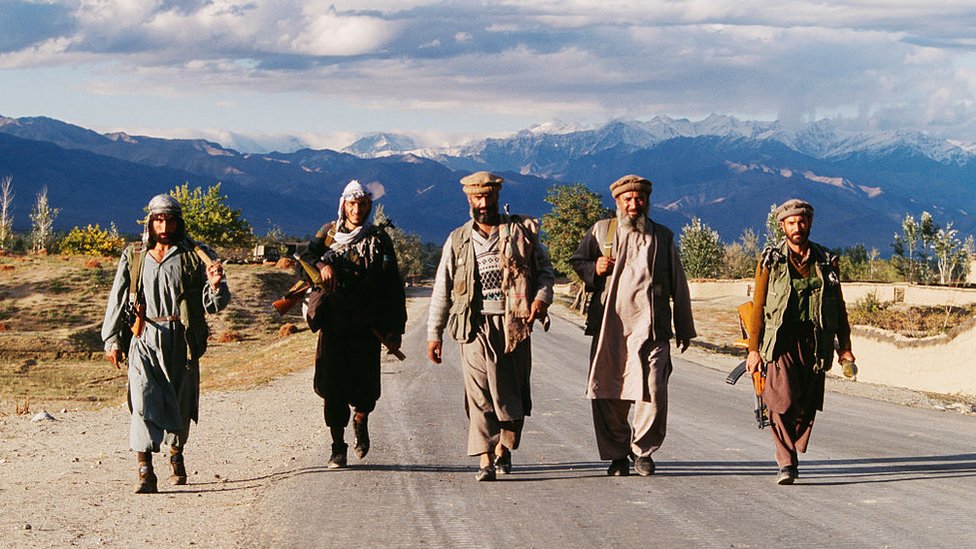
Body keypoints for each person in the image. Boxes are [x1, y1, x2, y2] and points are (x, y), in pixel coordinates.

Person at [427, 171, 554, 481]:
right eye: (477, 198)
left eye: (488, 197)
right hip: (473, 326)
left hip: (514, 324)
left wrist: (541, 300)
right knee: (479, 394)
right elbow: (442, 289)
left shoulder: (521, 232)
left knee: (510, 393)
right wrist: (434, 333)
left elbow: (545, 272)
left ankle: (504, 449)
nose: (483, 203)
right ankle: (485, 457)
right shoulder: (458, 239)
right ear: (469, 200)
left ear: (497, 197)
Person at [101, 194, 230, 494]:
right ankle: (145, 470)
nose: (164, 224)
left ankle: (176, 453)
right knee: (142, 401)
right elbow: (118, 299)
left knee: (179, 403)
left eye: (170, 219)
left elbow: (214, 305)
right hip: (144, 337)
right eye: (159, 218)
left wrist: (215, 284)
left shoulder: (194, 256)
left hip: (180, 339)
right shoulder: (134, 256)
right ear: (150, 221)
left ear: (178, 222)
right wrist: (111, 339)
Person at [570, 174, 696, 477]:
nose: (634, 205)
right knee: (608, 393)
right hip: (610, 329)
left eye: (639, 199)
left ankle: (642, 452)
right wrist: (595, 267)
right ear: (618, 202)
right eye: (628, 200)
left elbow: (678, 283)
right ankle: (617, 455)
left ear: (647, 202)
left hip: (653, 330)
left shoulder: (662, 236)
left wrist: (684, 327)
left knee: (653, 391)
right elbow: (577, 261)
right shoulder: (603, 232)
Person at [745, 198, 854, 485]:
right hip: (780, 341)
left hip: (815, 340)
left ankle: (790, 448)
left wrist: (845, 349)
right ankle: (786, 463)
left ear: (810, 224)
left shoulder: (827, 261)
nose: (798, 227)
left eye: (802, 221)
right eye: (791, 222)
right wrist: (754, 350)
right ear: (782, 226)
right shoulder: (770, 260)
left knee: (805, 403)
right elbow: (758, 307)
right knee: (781, 401)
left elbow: (839, 307)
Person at [300, 180, 407, 469]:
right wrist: (322, 265)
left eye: (362, 204)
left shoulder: (378, 239)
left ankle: (361, 419)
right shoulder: (328, 233)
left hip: (366, 325)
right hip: (334, 325)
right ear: (343, 205)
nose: (357, 209)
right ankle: (338, 446)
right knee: (333, 388)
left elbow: (392, 286)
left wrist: (395, 327)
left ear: (368, 207)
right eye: (352, 203)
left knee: (365, 388)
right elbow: (305, 259)